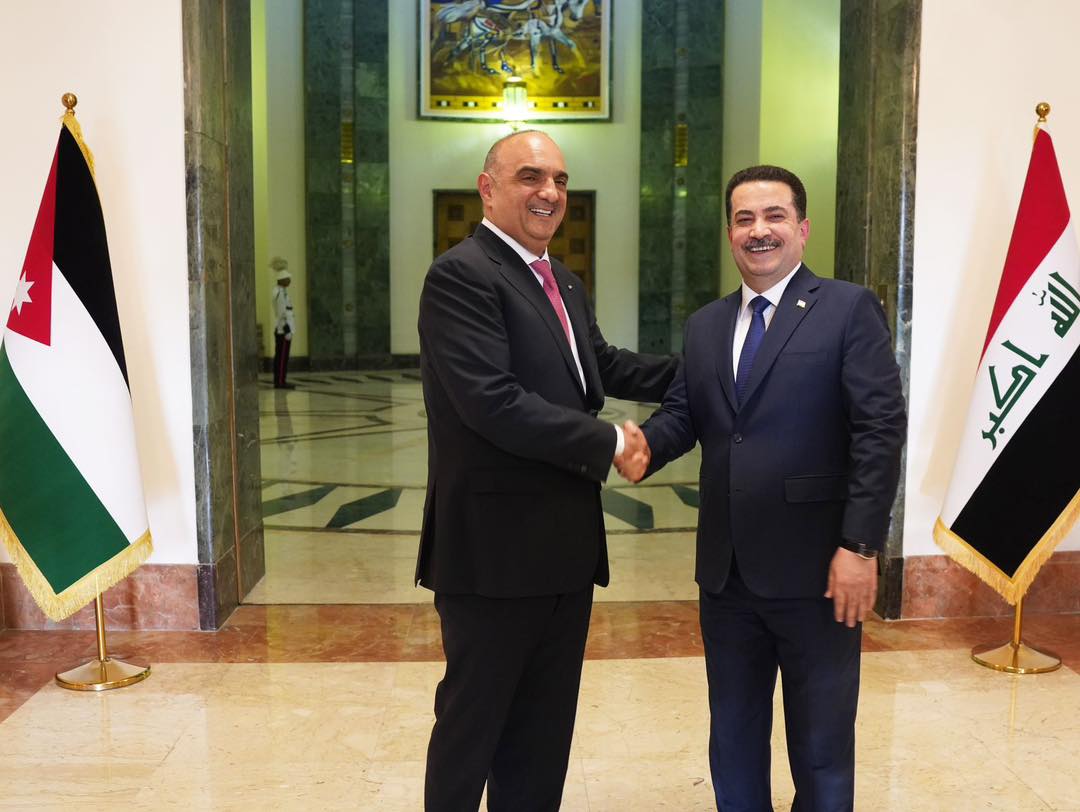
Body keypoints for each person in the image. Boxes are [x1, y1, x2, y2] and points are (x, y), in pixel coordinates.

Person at [618, 165, 906, 811]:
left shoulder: (848, 309)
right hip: (727, 578)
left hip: (820, 572)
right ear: (730, 233)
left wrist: (860, 546)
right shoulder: (706, 325)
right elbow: (685, 414)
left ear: (802, 229)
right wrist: (646, 448)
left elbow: (879, 430)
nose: (759, 230)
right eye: (744, 219)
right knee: (734, 738)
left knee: (821, 746)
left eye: (774, 216)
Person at [416, 129, 678, 811]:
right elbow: (492, 402)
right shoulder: (461, 276)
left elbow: (602, 365)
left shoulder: (562, 279)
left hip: (564, 547)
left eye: (559, 180)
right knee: (473, 727)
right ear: (488, 188)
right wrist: (609, 440)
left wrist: (710, 368)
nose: (550, 192)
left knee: (541, 732)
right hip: (492, 553)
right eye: (530, 176)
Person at [270, 258, 295, 389]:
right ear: (282, 280)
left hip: (283, 328)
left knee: (282, 357)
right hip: (283, 330)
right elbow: (281, 312)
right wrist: (286, 329)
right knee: (282, 357)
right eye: (287, 278)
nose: (289, 280)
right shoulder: (280, 293)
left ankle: (281, 380)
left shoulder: (281, 291)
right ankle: (280, 382)